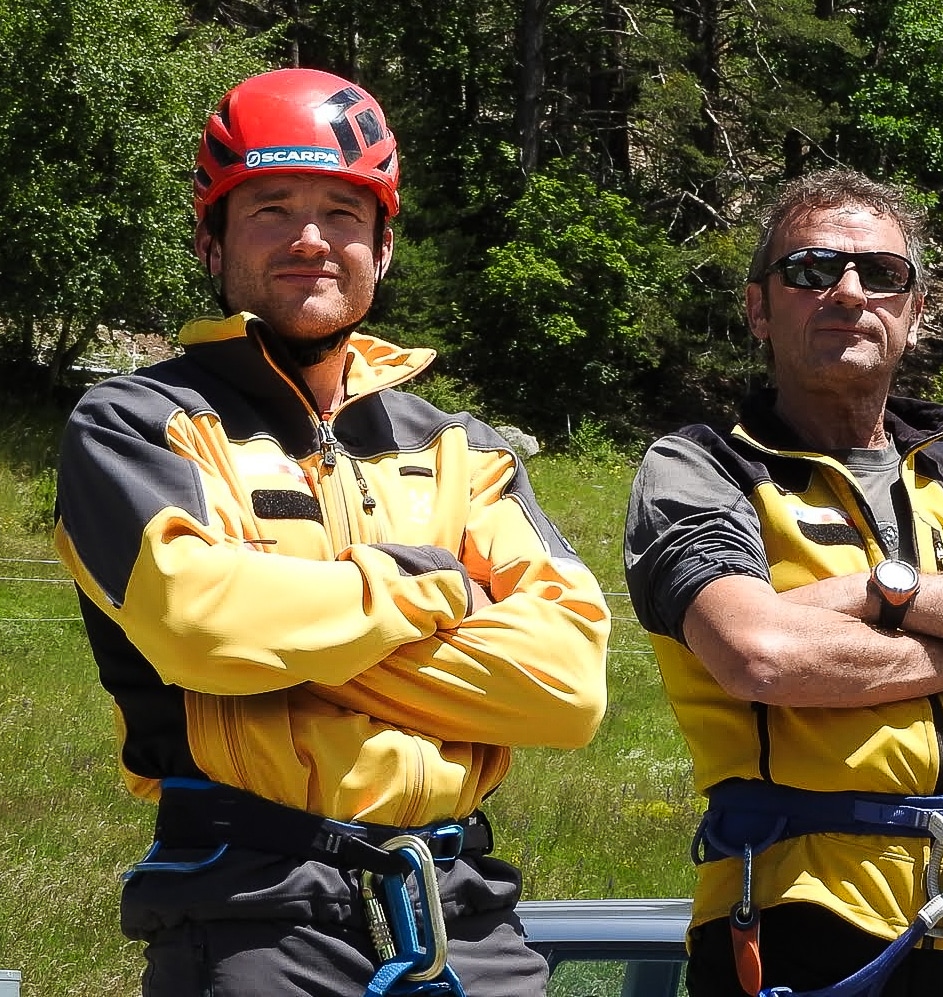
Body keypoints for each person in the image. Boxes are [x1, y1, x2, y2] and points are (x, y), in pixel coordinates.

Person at [54, 67, 610, 997]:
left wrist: (290, 638)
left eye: (344, 213)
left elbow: (568, 685)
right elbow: (204, 626)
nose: (311, 238)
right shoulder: (136, 424)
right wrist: (433, 589)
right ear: (210, 239)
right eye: (269, 208)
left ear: (383, 247)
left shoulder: (459, 447)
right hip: (250, 908)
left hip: (468, 913)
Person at [623, 168, 943, 997]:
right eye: (812, 270)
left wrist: (885, 592)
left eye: (882, 274)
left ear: (917, 310)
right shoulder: (701, 468)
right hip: (795, 918)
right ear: (758, 308)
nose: (850, 292)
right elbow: (761, 652)